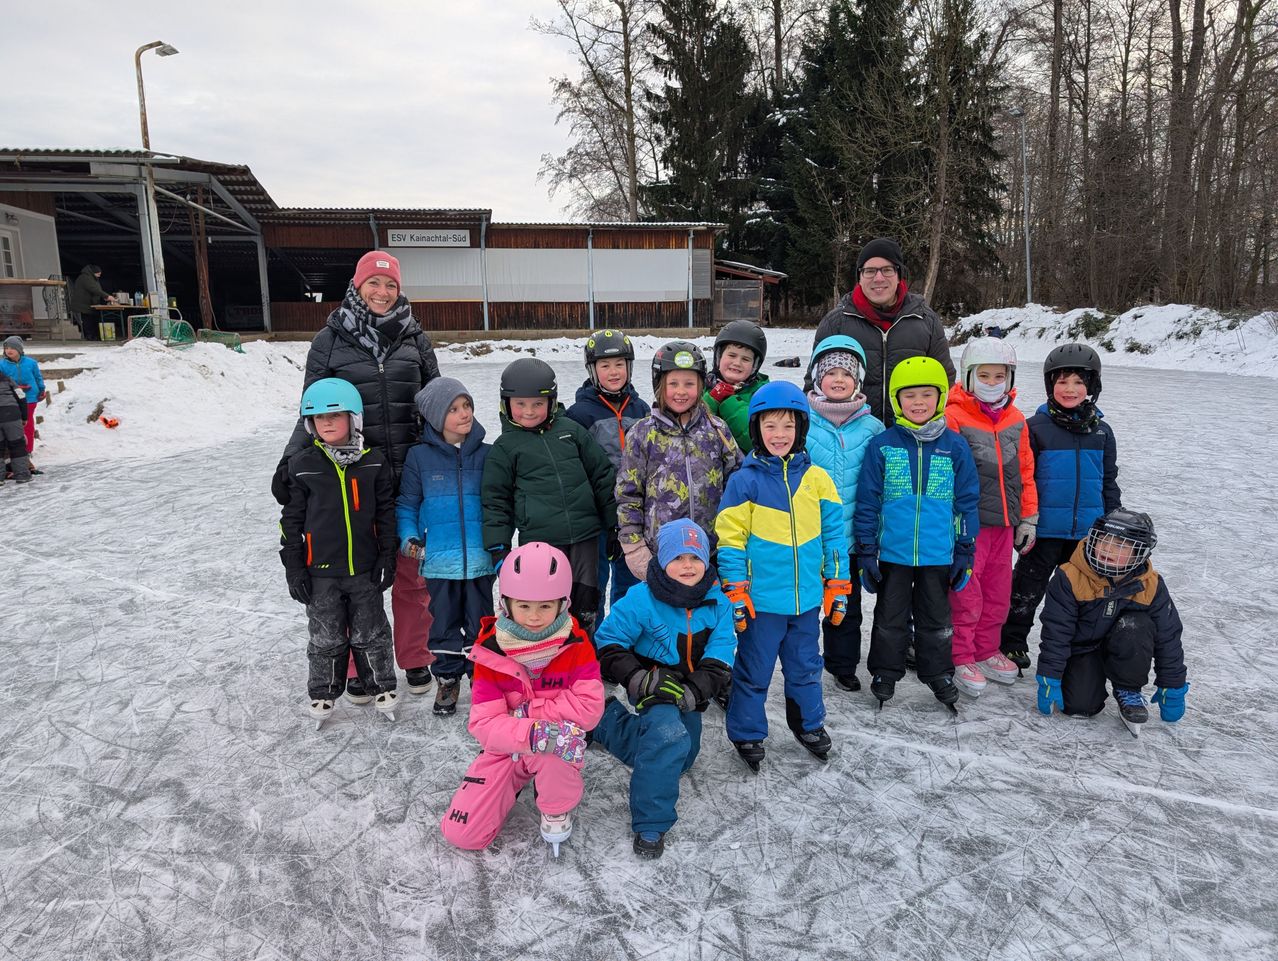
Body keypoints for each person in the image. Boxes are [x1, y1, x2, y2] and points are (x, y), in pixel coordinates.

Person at [272, 251, 440, 700]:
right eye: (374, 284)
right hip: (350, 476)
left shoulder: (415, 339)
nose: (382, 293)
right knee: (351, 574)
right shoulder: (329, 341)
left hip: (408, 472)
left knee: (411, 574)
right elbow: (312, 408)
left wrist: (446, 459)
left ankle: (416, 656)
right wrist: (291, 461)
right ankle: (354, 663)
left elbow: (433, 405)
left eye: (390, 285)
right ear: (357, 286)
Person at [715, 382, 849, 770]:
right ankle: (747, 731)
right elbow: (731, 539)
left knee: (806, 667)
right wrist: (735, 591)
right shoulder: (745, 481)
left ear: (801, 429)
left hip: (806, 602)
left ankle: (808, 724)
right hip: (762, 604)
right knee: (754, 672)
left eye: (788, 426)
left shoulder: (819, 480)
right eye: (770, 426)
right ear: (757, 429)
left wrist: (837, 584)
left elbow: (835, 537)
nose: (779, 435)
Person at [440, 543, 605, 854]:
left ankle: (555, 804)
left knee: (556, 743)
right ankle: (509, 784)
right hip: (507, 748)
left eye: (545, 606)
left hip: (555, 745)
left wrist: (531, 714)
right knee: (462, 834)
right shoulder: (490, 652)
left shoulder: (577, 646)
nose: (534, 617)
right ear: (506, 604)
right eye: (524, 605)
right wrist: (530, 732)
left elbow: (590, 708)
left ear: (562, 604)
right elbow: (484, 723)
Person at [592, 518, 735, 859]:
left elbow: (721, 655)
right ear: (662, 560)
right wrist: (640, 678)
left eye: (696, 557)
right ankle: (651, 823)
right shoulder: (641, 598)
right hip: (652, 683)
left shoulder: (719, 602)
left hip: (690, 690)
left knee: (680, 756)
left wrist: (696, 690)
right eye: (678, 558)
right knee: (667, 736)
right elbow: (607, 642)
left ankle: (605, 721)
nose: (688, 566)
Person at [854, 357, 979, 711]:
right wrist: (866, 550)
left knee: (936, 619)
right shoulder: (883, 445)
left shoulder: (955, 447)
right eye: (910, 395)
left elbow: (966, 501)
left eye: (927, 394)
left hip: (938, 554)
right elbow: (868, 500)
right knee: (889, 618)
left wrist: (965, 549)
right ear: (897, 400)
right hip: (893, 554)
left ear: (940, 398)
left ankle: (938, 671)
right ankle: (885, 671)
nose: (919, 402)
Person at [278, 378, 399, 725]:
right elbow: (290, 521)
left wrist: (386, 556)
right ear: (309, 425)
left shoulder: (373, 463)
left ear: (355, 419)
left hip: (364, 569)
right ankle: (323, 692)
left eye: (335, 416)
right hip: (319, 573)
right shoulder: (302, 466)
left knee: (371, 632)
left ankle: (382, 686)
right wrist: (294, 566)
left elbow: (386, 514)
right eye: (318, 419)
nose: (327, 424)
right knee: (325, 636)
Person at [1000, 344, 1121, 669]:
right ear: (1049, 385)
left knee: (1080, 595)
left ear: (1092, 387)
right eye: (1062, 381)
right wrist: (1024, 520)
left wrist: (1111, 525)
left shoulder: (1102, 432)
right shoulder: (1035, 428)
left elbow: (1108, 481)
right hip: (1044, 531)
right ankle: (1011, 642)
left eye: (1078, 382)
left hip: (1086, 535)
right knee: (1025, 592)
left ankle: (1074, 648)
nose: (1070, 389)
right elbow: (1023, 479)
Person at [481, 358, 617, 638]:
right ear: (506, 404)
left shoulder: (571, 431)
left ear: (551, 402)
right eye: (520, 404)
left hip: (585, 536)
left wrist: (614, 523)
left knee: (587, 600)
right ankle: (547, 656)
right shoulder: (505, 448)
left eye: (537, 404)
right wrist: (498, 548)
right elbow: (496, 502)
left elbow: (602, 476)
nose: (529, 411)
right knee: (546, 603)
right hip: (541, 542)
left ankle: (584, 655)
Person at [943, 338, 1038, 696]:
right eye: (984, 375)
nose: (992, 381)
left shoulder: (1016, 419)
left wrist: (1028, 517)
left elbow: (1025, 470)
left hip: (1005, 523)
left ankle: (986, 649)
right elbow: (946, 472)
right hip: (971, 523)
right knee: (968, 592)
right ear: (968, 377)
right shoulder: (954, 417)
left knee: (999, 592)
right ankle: (961, 653)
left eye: (1000, 375)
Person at [1036, 510, 1187, 730]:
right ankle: (1088, 678)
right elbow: (1056, 632)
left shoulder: (1151, 585)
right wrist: (1049, 677)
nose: (1107, 548)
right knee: (1080, 706)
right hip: (1083, 650)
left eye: (1120, 545)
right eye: (1103, 540)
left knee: (1138, 625)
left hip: (1126, 647)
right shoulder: (1068, 577)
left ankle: (1128, 689)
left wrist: (1172, 685)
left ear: (1138, 552)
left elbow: (1168, 636)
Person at [396, 377, 494, 716]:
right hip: (439, 561)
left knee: (482, 623)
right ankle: (448, 679)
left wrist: (499, 543)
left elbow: (498, 504)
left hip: (481, 559)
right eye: (454, 409)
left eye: (466, 405)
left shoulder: (487, 454)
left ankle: (483, 681)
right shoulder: (419, 458)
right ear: (436, 418)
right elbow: (408, 502)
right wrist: (409, 537)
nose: (464, 414)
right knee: (444, 624)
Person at [615, 341, 740, 582]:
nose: (681, 391)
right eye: (673, 384)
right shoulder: (643, 433)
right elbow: (628, 494)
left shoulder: (717, 430)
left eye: (689, 384)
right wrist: (634, 547)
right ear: (659, 386)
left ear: (701, 386)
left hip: (709, 552)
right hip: (660, 554)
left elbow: (736, 481)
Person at [804, 335, 885, 694]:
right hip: (807, 536)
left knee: (846, 607)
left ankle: (842, 664)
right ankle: (803, 663)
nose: (838, 379)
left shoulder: (872, 427)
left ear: (859, 380)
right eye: (830, 372)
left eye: (846, 374)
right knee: (805, 607)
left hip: (848, 541)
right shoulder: (802, 422)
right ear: (817, 377)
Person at [810, 238, 956, 426]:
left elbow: (945, 380)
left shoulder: (925, 320)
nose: (878, 278)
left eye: (887, 270)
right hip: (852, 439)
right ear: (860, 276)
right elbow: (814, 385)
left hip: (911, 438)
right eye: (870, 271)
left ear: (899, 274)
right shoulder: (836, 323)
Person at [565, 330, 651, 621]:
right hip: (596, 516)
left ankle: (622, 644)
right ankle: (595, 645)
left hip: (633, 514)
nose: (613, 372)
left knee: (631, 583)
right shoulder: (579, 414)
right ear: (592, 370)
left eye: (619, 364)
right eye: (605, 365)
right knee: (594, 584)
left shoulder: (642, 410)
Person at [703, 320, 770, 452]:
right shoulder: (702, 387)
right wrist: (711, 400)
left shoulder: (762, 395)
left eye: (745, 359)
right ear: (719, 357)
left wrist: (730, 403)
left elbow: (757, 441)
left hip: (745, 468)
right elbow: (690, 425)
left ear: (754, 366)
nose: (737, 363)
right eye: (732, 355)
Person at [1, 337, 43, 475]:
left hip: (30, 397)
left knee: (27, 425)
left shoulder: (31, 363)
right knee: (13, 427)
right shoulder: (2, 365)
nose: (9, 351)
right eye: (6, 348)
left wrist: (41, 389)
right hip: (11, 400)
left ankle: (27, 453)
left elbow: (38, 377)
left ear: (19, 349)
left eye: (12, 348)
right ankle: (13, 458)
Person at [67, 264, 117, 341]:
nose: (99, 276)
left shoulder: (92, 278)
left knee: (92, 320)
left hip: (90, 304)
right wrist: (107, 296)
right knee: (88, 321)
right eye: (98, 274)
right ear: (93, 272)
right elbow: (93, 289)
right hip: (84, 305)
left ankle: (94, 336)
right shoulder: (85, 278)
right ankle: (90, 337)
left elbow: (97, 290)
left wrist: (104, 297)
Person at [0, 371, 31, 486]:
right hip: (11, 415)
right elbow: (21, 397)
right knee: (17, 444)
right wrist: (24, 417)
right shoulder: (8, 380)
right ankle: (22, 475)